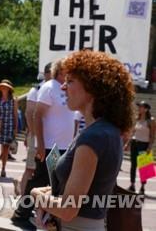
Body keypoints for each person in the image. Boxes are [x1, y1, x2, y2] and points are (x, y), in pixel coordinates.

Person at [30, 50, 134, 231]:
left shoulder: (93, 136)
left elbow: (68, 209)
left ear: (92, 89)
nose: (63, 87)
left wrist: (35, 194)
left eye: (70, 81)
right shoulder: (108, 131)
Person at [11, 59, 75, 230]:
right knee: (39, 179)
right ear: (59, 71)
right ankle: (21, 214)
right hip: (50, 145)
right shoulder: (49, 87)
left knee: (54, 183)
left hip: (63, 146)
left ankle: (45, 217)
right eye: (66, 70)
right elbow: (37, 116)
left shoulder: (66, 88)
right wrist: (40, 143)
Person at [20, 62, 52, 194]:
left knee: (43, 172)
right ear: (45, 74)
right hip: (37, 136)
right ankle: (24, 198)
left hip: (49, 137)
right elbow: (29, 113)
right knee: (30, 169)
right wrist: (33, 133)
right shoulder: (37, 89)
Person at [0, 79, 18, 178]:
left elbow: (15, 114)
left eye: (5, 87)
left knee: (6, 148)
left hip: (9, 125)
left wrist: (16, 128)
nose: (4, 88)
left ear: (9, 89)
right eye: (2, 87)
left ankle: (3, 168)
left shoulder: (13, 100)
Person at [128, 100, 155, 194]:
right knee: (133, 165)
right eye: (139, 106)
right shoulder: (137, 119)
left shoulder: (150, 120)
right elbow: (133, 132)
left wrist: (149, 147)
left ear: (146, 109)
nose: (139, 108)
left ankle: (143, 187)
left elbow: (152, 135)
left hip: (144, 144)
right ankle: (132, 185)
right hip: (135, 143)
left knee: (144, 167)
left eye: (141, 106)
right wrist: (128, 143)